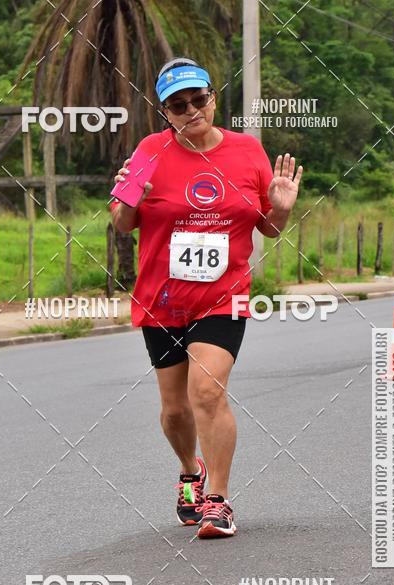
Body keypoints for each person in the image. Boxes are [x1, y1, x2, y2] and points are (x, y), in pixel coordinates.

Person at [111, 58, 302, 538]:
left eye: (199, 99)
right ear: (165, 112)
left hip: (224, 296)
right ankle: (188, 471)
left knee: (207, 392)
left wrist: (280, 210)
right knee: (175, 409)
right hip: (161, 298)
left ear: (213, 98)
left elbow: (269, 229)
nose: (192, 110)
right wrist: (129, 198)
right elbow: (121, 223)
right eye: (179, 105)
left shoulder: (247, 151)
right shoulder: (150, 151)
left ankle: (217, 499)